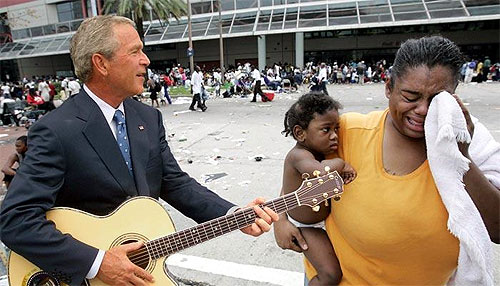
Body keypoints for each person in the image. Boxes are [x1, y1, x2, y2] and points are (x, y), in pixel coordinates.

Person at [0, 15, 278, 286]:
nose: (146, 60)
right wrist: (97, 263)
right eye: (135, 51)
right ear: (101, 63)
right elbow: (15, 219)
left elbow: (174, 182)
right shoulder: (57, 130)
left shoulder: (147, 117)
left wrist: (232, 215)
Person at [274, 36, 500, 285]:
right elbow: (302, 175)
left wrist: (461, 158)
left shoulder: (467, 136)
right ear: (388, 87)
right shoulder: (347, 132)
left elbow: (497, 228)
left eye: (436, 99)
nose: (423, 109)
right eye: (411, 96)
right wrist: (281, 217)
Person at [281, 92, 356, 285]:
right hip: (306, 227)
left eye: (336, 128)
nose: (335, 136)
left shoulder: (315, 151)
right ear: (300, 133)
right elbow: (320, 172)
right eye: (326, 130)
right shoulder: (298, 156)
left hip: (322, 221)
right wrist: (340, 163)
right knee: (330, 274)